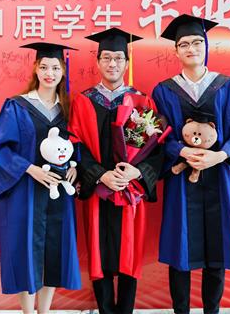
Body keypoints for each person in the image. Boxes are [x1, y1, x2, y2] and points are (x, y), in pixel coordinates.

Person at [151, 14, 230, 314]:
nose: (191, 49)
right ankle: (181, 311)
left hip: (218, 178)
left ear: (206, 45)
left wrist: (220, 155)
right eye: (184, 44)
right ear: (176, 51)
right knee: (179, 248)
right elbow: (156, 137)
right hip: (180, 180)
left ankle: (213, 310)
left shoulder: (226, 87)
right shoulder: (164, 91)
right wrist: (181, 151)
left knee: (216, 247)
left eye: (197, 42)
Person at [69, 28, 162, 314]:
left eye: (118, 58)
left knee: (129, 253)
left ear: (127, 62)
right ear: (97, 62)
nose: (112, 64)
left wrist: (136, 173)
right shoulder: (84, 101)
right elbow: (75, 143)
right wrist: (100, 175)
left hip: (130, 192)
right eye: (106, 58)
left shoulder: (142, 101)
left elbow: (157, 149)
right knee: (100, 254)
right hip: (99, 191)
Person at [0, 42, 81, 314]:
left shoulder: (69, 109)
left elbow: (78, 145)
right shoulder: (17, 106)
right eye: (44, 67)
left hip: (58, 192)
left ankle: (45, 310)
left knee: (53, 251)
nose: (50, 73)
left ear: (63, 72)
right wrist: (30, 169)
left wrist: (76, 167)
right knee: (26, 251)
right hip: (26, 191)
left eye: (55, 68)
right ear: (36, 69)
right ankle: (29, 312)